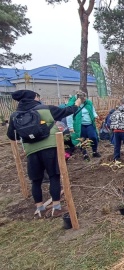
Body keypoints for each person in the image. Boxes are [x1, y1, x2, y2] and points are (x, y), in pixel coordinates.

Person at [7, 90, 82, 218]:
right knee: (54, 176)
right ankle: (56, 208)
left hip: (31, 151)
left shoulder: (15, 116)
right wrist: (77, 104)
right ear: (34, 98)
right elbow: (67, 111)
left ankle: (39, 208)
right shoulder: (45, 109)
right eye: (37, 96)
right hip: (49, 148)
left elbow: (11, 136)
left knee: (36, 180)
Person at [66, 91, 101, 160]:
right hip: (79, 125)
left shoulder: (88, 103)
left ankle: (94, 151)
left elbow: (92, 111)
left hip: (89, 124)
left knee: (93, 137)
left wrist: (96, 116)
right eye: (83, 99)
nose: (85, 100)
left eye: (85, 99)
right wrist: (70, 127)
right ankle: (85, 154)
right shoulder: (72, 105)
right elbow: (69, 116)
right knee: (82, 139)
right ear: (78, 99)